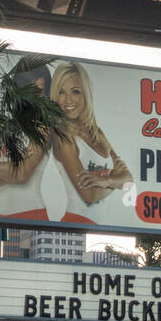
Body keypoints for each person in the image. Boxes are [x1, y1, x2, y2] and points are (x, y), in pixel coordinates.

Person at [51, 62, 132, 226]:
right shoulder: (63, 137)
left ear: (86, 94)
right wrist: (115, 181)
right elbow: (89, 196)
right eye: (61, 92)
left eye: (75, 91)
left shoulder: (97, 133)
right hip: (75, 224)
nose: (68, 100)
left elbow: (129, 180)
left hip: (100, 227)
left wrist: (103, 182)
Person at [0, 66, 53, 221]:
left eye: (40, 90)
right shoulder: (1, 128)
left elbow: (22, 175)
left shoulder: (43, 129)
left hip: (33, 215)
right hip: (0, 217)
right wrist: (15, 172)